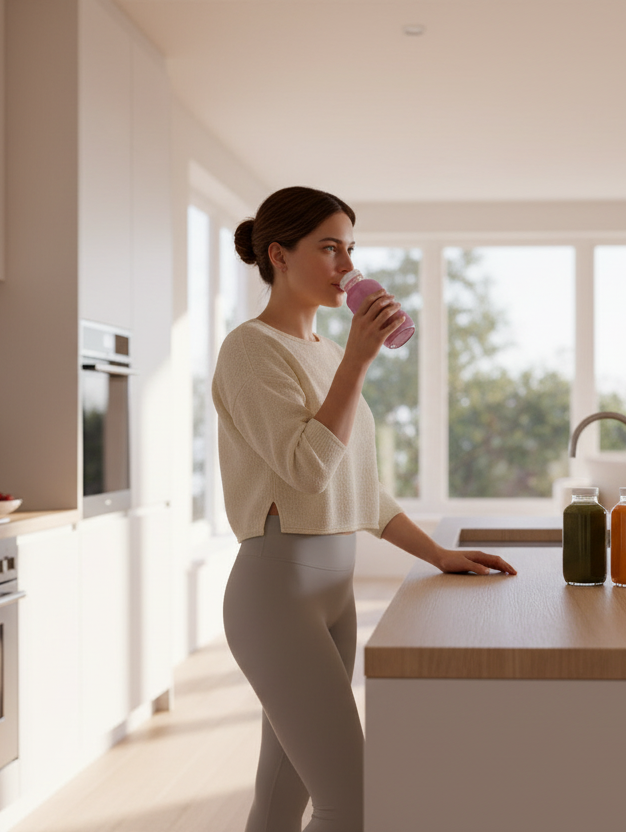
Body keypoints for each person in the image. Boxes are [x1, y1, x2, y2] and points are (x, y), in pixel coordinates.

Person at [213, 186, 517, 832]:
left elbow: (357, 484)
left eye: (350, 249)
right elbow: (305, 467)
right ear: (279, 255)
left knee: (281, 799)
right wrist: (357, 360)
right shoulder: (250, 350)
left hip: (331, 592)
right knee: (352, 802)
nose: (345, 266)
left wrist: (436, 552)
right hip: (276, 592)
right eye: (328, 249)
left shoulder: (326, 352)